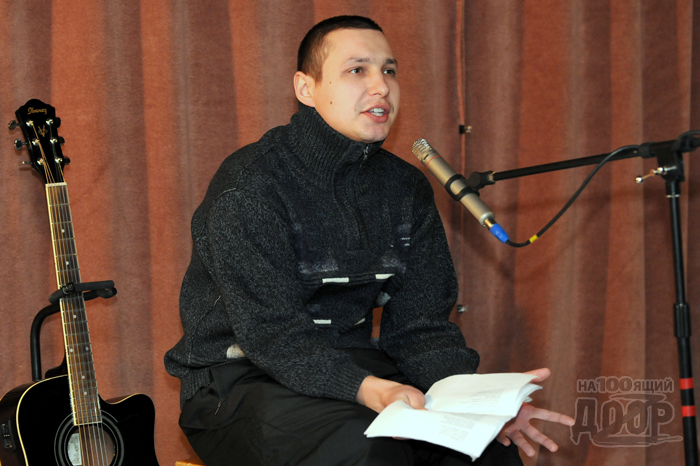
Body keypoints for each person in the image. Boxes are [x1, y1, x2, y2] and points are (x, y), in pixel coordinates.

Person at [165, 15, 573, 466]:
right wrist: (368, 389)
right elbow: (272, 334)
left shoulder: (405, 187)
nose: (381, 86)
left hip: (354, 368)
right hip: (237, 381)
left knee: (483, 450)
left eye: (389, 71)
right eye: (357, 70)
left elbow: (420, 328)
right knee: (365, 447)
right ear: (306, 88)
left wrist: (479, 405)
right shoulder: (252, 185)